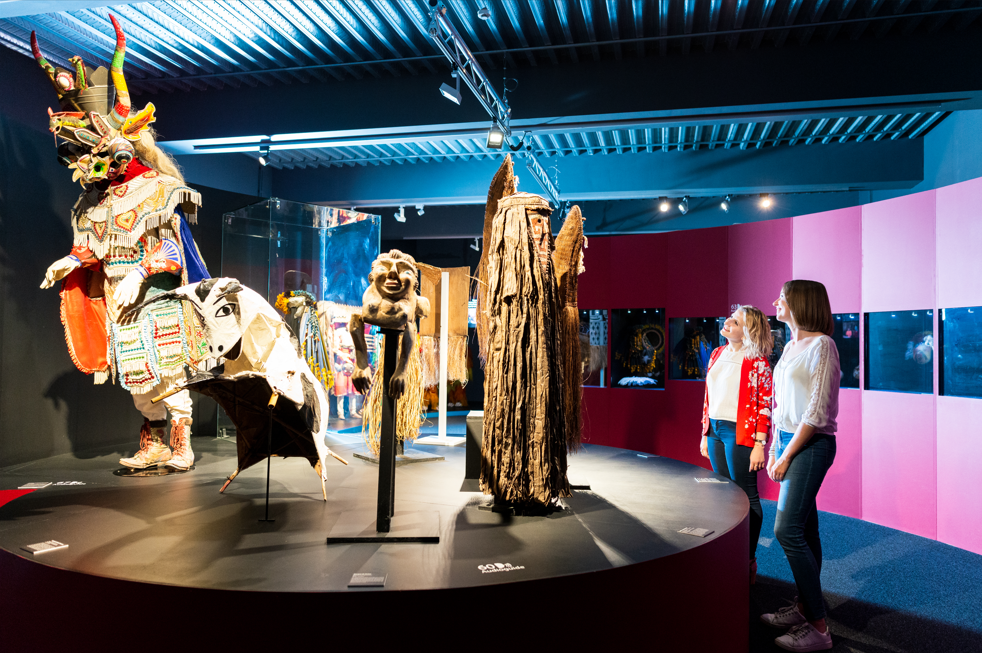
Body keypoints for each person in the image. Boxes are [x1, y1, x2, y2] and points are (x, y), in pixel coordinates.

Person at [34, 17, 209, 472]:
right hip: (119, 298)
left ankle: (182, 442)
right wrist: (66, 261)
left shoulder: (157, 189)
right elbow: (93, 247)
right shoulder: (94, 203)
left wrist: (138, 273)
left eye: (100, 154)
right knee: (135, 373)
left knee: (168, 368)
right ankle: (152, 444)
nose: (95, 166)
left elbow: (173, 251)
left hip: (156, 294)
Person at [761, 280, 839, 652]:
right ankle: (805, 608)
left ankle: (820, 629)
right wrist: (776, 447)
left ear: (800, 303)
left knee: (787, 529)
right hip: (789, 441)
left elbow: (817, 411)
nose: (776, 301)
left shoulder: (822, 345)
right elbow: (783, 408)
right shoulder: (791, 345)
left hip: (811, 445)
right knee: (806, 531)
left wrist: (787, 454)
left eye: (783, 297)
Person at [700, 305, 773, 585]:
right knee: (723, 493)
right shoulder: (718, 353)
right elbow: (709, 396)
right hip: (716, 429)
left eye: (736, 321)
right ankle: (727, 551)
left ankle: (748, 558)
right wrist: (705, 432)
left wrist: (759, 443)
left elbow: (765, 406)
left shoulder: (759, 363)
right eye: (729, 318)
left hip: (740, 432)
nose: (727, 322)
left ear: (748, 331)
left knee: (746, 494)